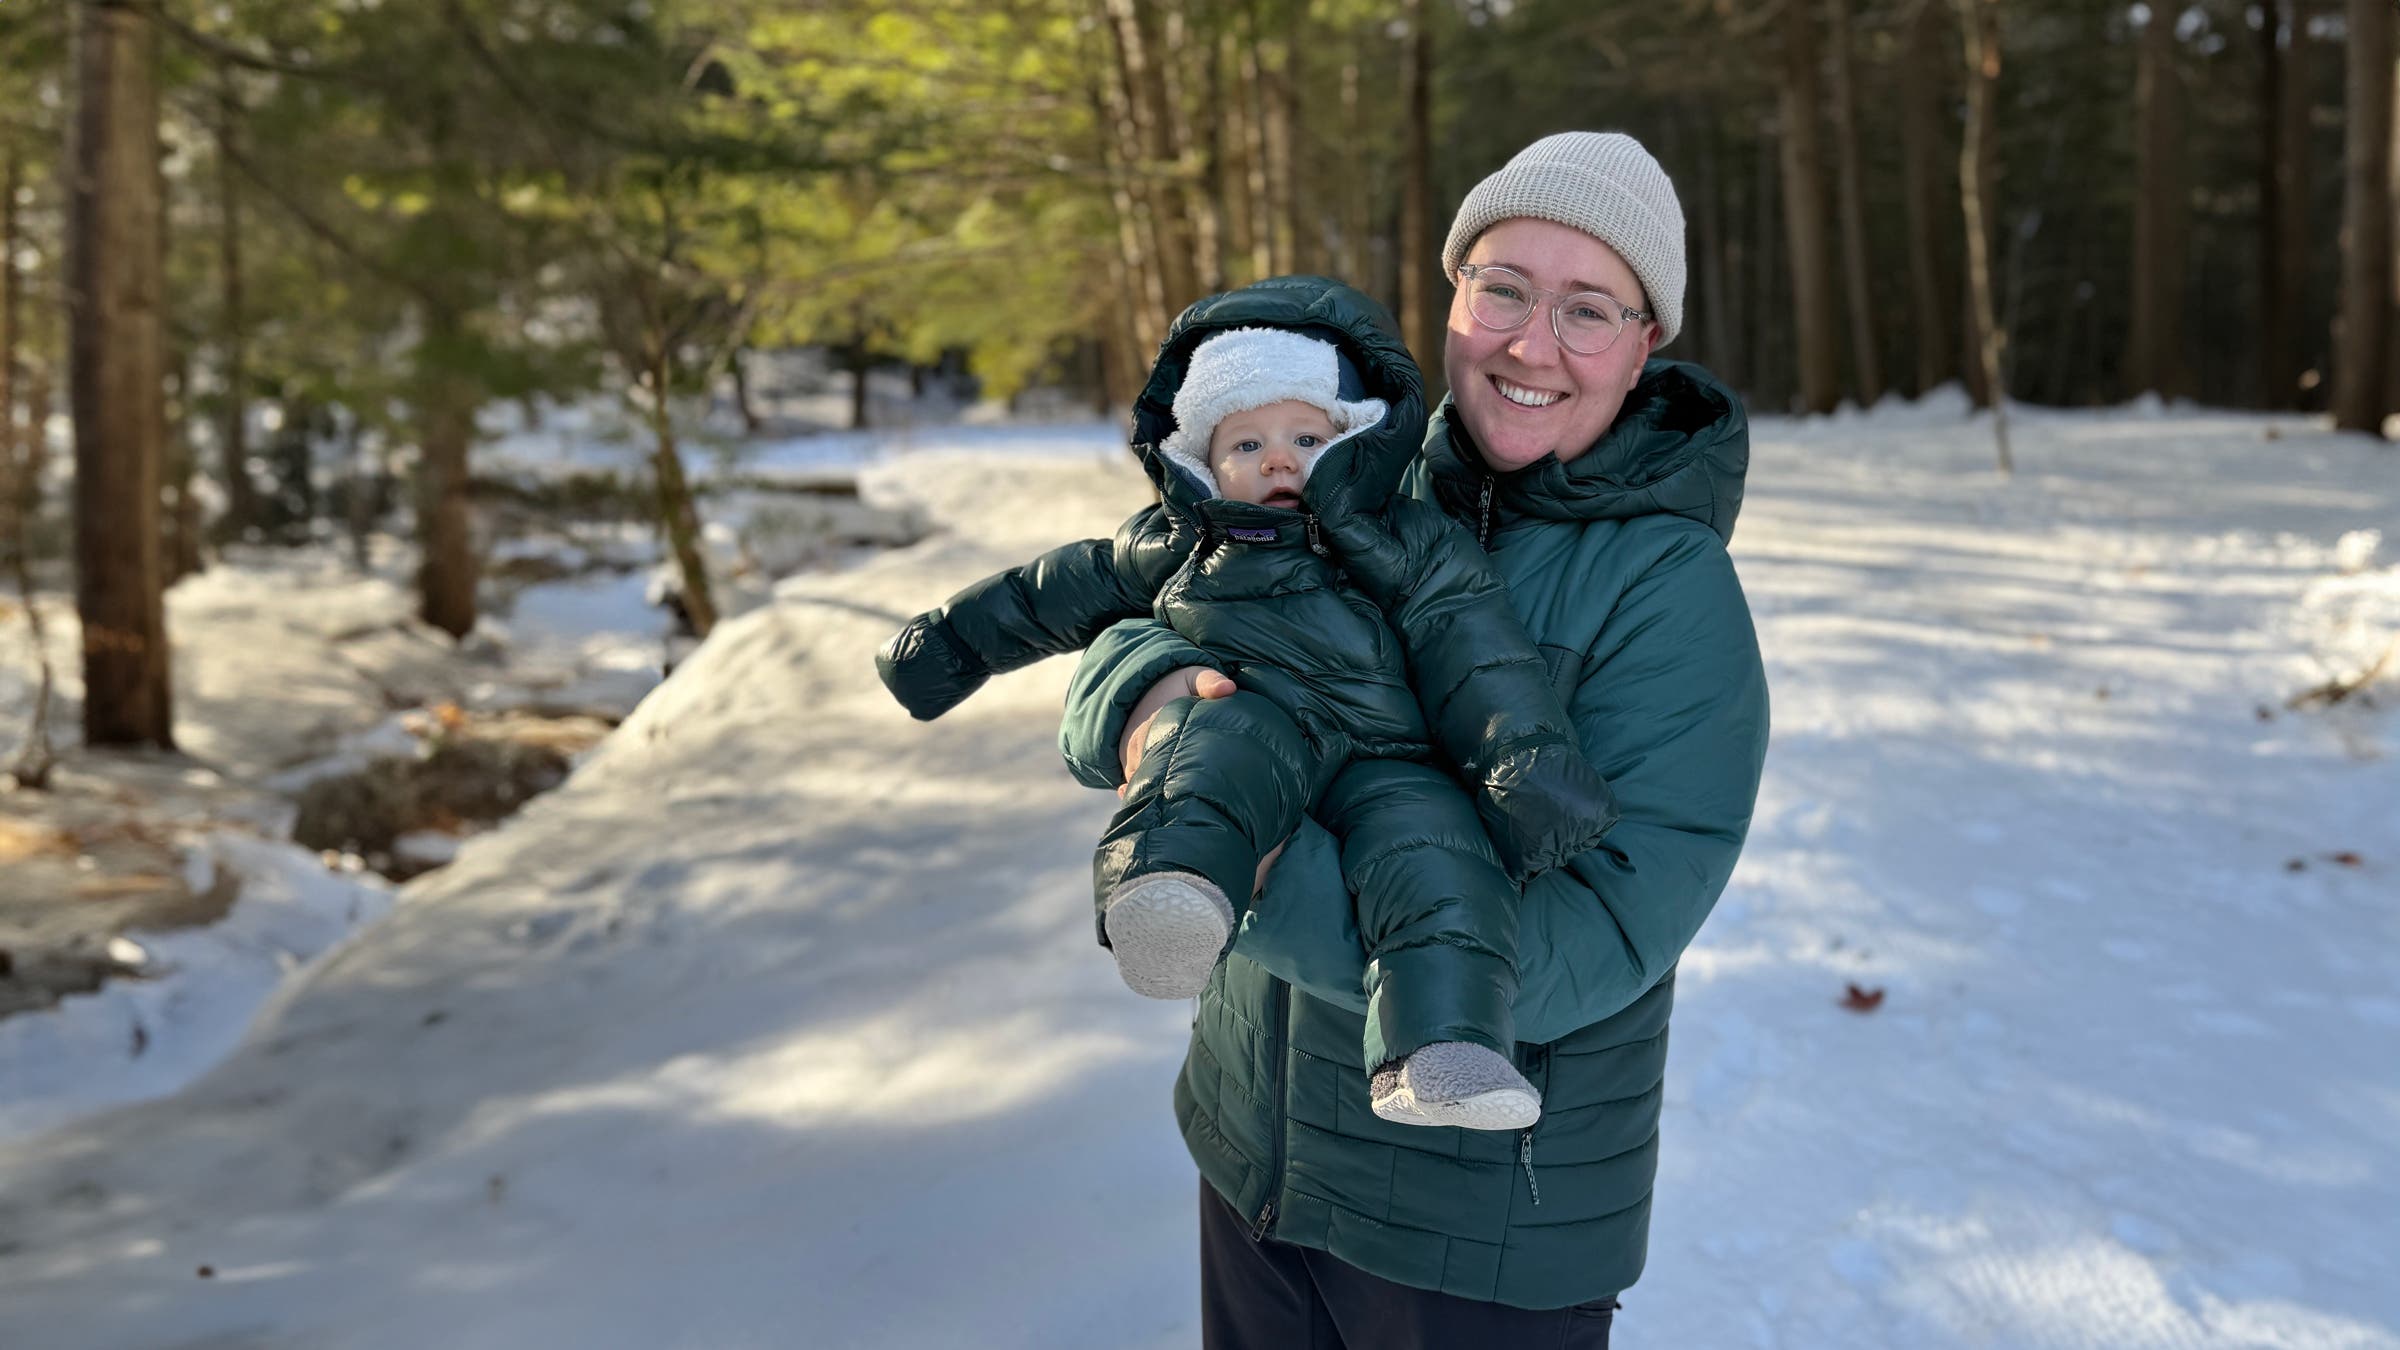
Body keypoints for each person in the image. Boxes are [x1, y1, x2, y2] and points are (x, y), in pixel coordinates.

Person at [1056, 131, 1771, 1346]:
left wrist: (1250, 878)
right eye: (1504, 288)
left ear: (1646, 340)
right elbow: (1149, 611)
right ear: (1452, 294)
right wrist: (1146, 699)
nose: (1531, 344)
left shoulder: (1670, 590)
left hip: (1476, 1238)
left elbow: (1597, 936)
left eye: (1588, 309)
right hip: (1256, 1162)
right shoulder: (1341, 477)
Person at [875, 285, 1620, 1130]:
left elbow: (1475, 649)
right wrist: (946, 648)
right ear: (1201, 460)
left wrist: (1525, 764)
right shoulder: (1176, 543)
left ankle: (1445, 1049)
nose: (1278, 462)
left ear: (1355, 441)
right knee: (1206, 746)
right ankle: (1171, 890)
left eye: (1306, 438)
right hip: (1255, 716)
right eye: (1247, 443)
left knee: (1438, 850)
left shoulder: (1402, 537)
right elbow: (1041, 595)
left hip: (1386, 759)